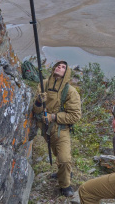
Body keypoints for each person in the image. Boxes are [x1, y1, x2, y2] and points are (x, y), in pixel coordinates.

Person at [33, 60, 82, 197]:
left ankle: (65, 186)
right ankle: (64, 171)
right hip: (44, 129)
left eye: (63, 67)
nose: (60, 68)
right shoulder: (43, 84)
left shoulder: (70, 91)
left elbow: (75, 116)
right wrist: (38, 101)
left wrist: (53, 117)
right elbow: (35, 110)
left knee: (64, 158)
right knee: (57, 154)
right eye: (58, 66)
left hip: (60, 129)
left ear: (66, 73)